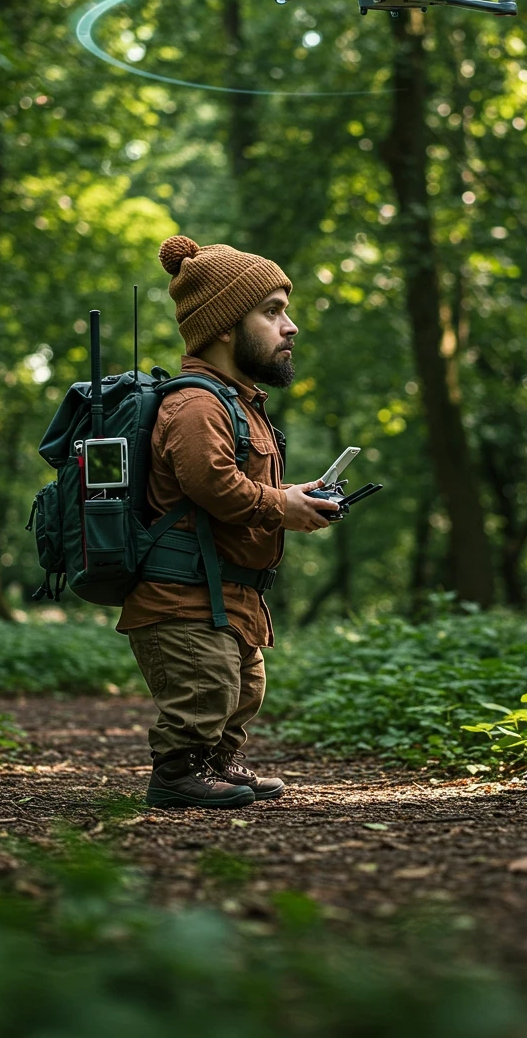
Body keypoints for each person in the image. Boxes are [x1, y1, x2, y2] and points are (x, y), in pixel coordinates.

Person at [118, 234, 341, 808]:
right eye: (272, 312)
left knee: (242, 689)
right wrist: (280, 507)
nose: (289, 326)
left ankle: (217, 764)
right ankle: (176, 774)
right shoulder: (196, 405)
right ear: (223, 326)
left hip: (227, 594)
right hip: (183, 595)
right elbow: (211, 485)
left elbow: (236, 486)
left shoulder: (238, 403)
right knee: (204, 688)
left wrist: (293, 496)